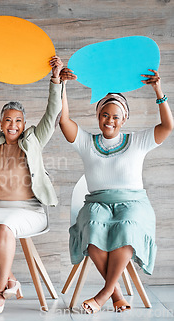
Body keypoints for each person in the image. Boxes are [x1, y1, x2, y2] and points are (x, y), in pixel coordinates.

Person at [59, 68, 173, 314]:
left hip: (133, 204)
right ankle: (116, 293)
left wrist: (158, 91)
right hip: (97, 204)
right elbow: (64, 122)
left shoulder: (137, 141)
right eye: (105, 115)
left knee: (127, 227)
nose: (109, 121)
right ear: (98, 116)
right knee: (90, 227)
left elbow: (167, 126)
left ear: (124, 120)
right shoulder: (87, 142)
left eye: (115, 117)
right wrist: (62, 86)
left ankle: (103, 294)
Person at [0, 57, 71, 314]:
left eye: (18, 121)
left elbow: (52, 113)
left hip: (29, 210)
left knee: (4, 229)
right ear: (1, 123)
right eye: (7, 120)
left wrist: (55, 78)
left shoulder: (34, 139)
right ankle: (12, 278)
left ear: (24, 124)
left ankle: (0, 290)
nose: (12, 125)